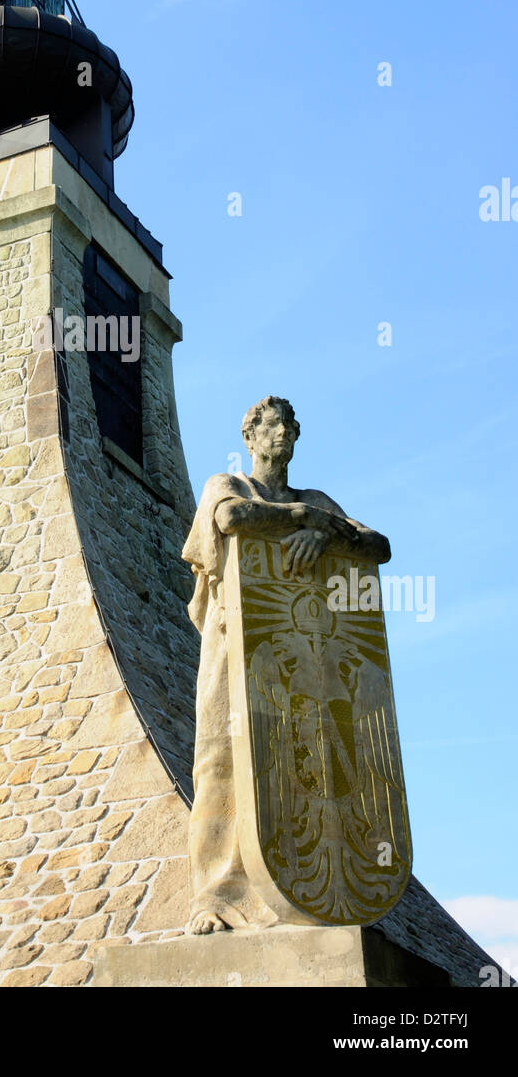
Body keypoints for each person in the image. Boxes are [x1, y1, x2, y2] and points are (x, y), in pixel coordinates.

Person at [182, 395, 390, 934]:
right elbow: (230, 519)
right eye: (272, 426)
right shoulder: (225, 485)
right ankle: (215, 895)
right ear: (249, 438)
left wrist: (326, 529)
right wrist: (305, 520)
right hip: (232, 650)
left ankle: (292, 889)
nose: (283, 435)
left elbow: (378, 545)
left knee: (297, 766)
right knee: (221, 764)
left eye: (290, 427)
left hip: (303, 660)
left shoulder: (317, 500)